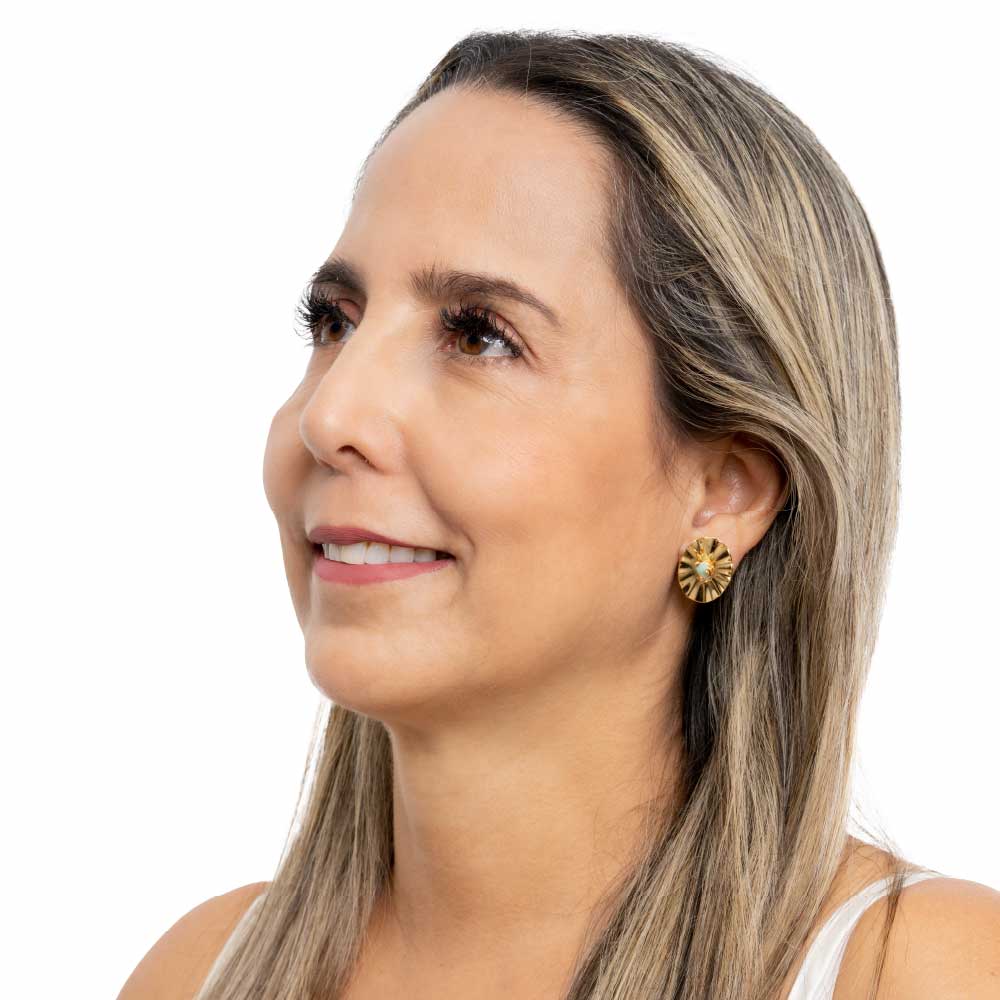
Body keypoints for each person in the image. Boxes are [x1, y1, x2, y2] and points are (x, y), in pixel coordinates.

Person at [118, 29, 1000, 1000]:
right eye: (334, 321)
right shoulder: (199, 972)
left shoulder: (921, 972)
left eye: (479, 336)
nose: (330, 416)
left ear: (728, 487)